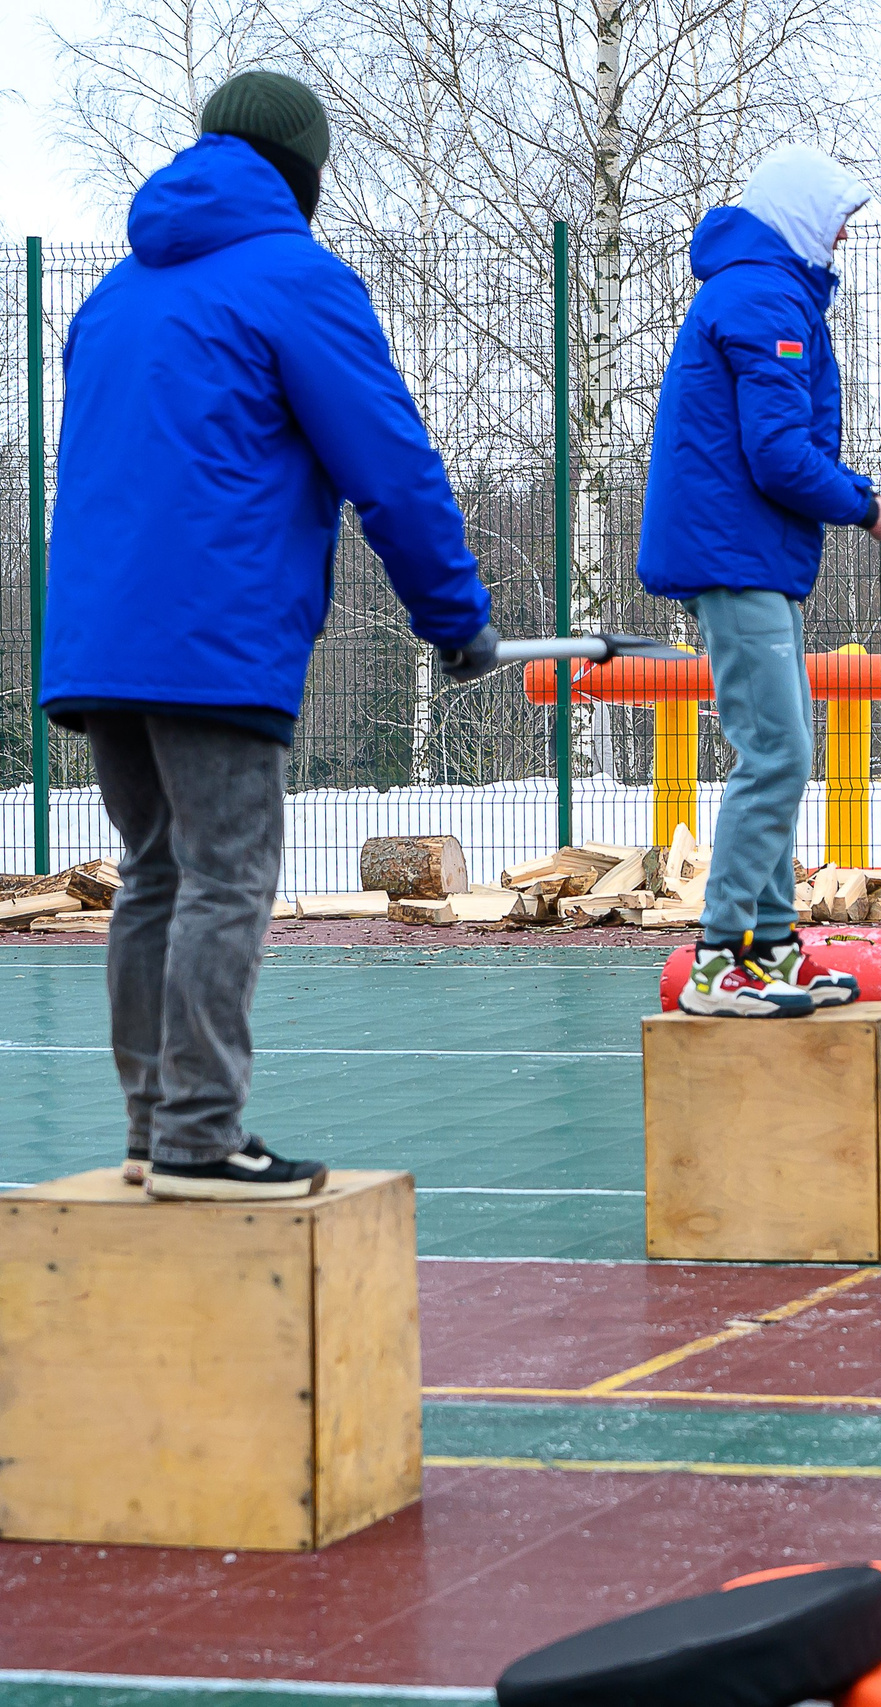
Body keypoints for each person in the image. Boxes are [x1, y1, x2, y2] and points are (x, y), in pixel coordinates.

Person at [40, 72, 499, 1200]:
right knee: (227, 877)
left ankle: (157, 1129)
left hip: (99, 643)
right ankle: (201, 1135)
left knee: (156, 872)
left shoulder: (112, 294)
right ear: (305, 170)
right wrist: (455, 619)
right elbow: (389, 467)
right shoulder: (297, 279)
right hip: (214, 635)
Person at [638, 143, 881, 1016]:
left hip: (748, 555)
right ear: (800, 213)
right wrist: (867, 504)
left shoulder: (761, 287)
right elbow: (777, 455)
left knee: (776, 751)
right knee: (777, 753)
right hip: (737, 557)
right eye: (836, 212)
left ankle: (767, 951)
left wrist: (863, 498)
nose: (844, 231)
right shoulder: (764, 294)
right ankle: (718, 962)